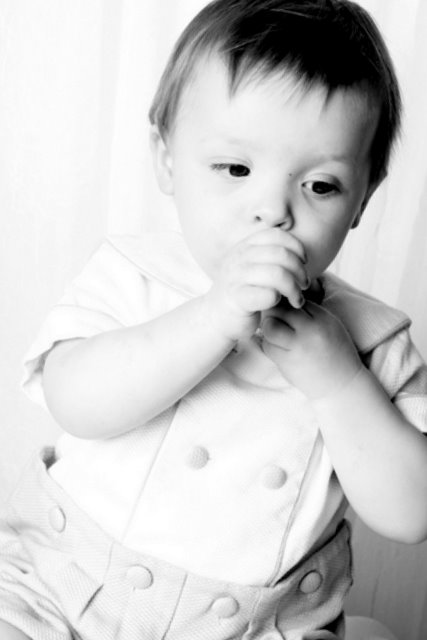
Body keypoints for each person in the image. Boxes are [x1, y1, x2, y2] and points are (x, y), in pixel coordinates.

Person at [1, 0, 427, 638]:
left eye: (321, 185)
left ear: (363, 197)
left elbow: (412, 515)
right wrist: (212, 317)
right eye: (236, 169)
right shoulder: (134, 275)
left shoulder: (372, 341)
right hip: (62, 588)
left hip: (253, 627)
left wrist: (340, 382)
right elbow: (74, 402)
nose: (273, 210)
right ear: (167, 159)